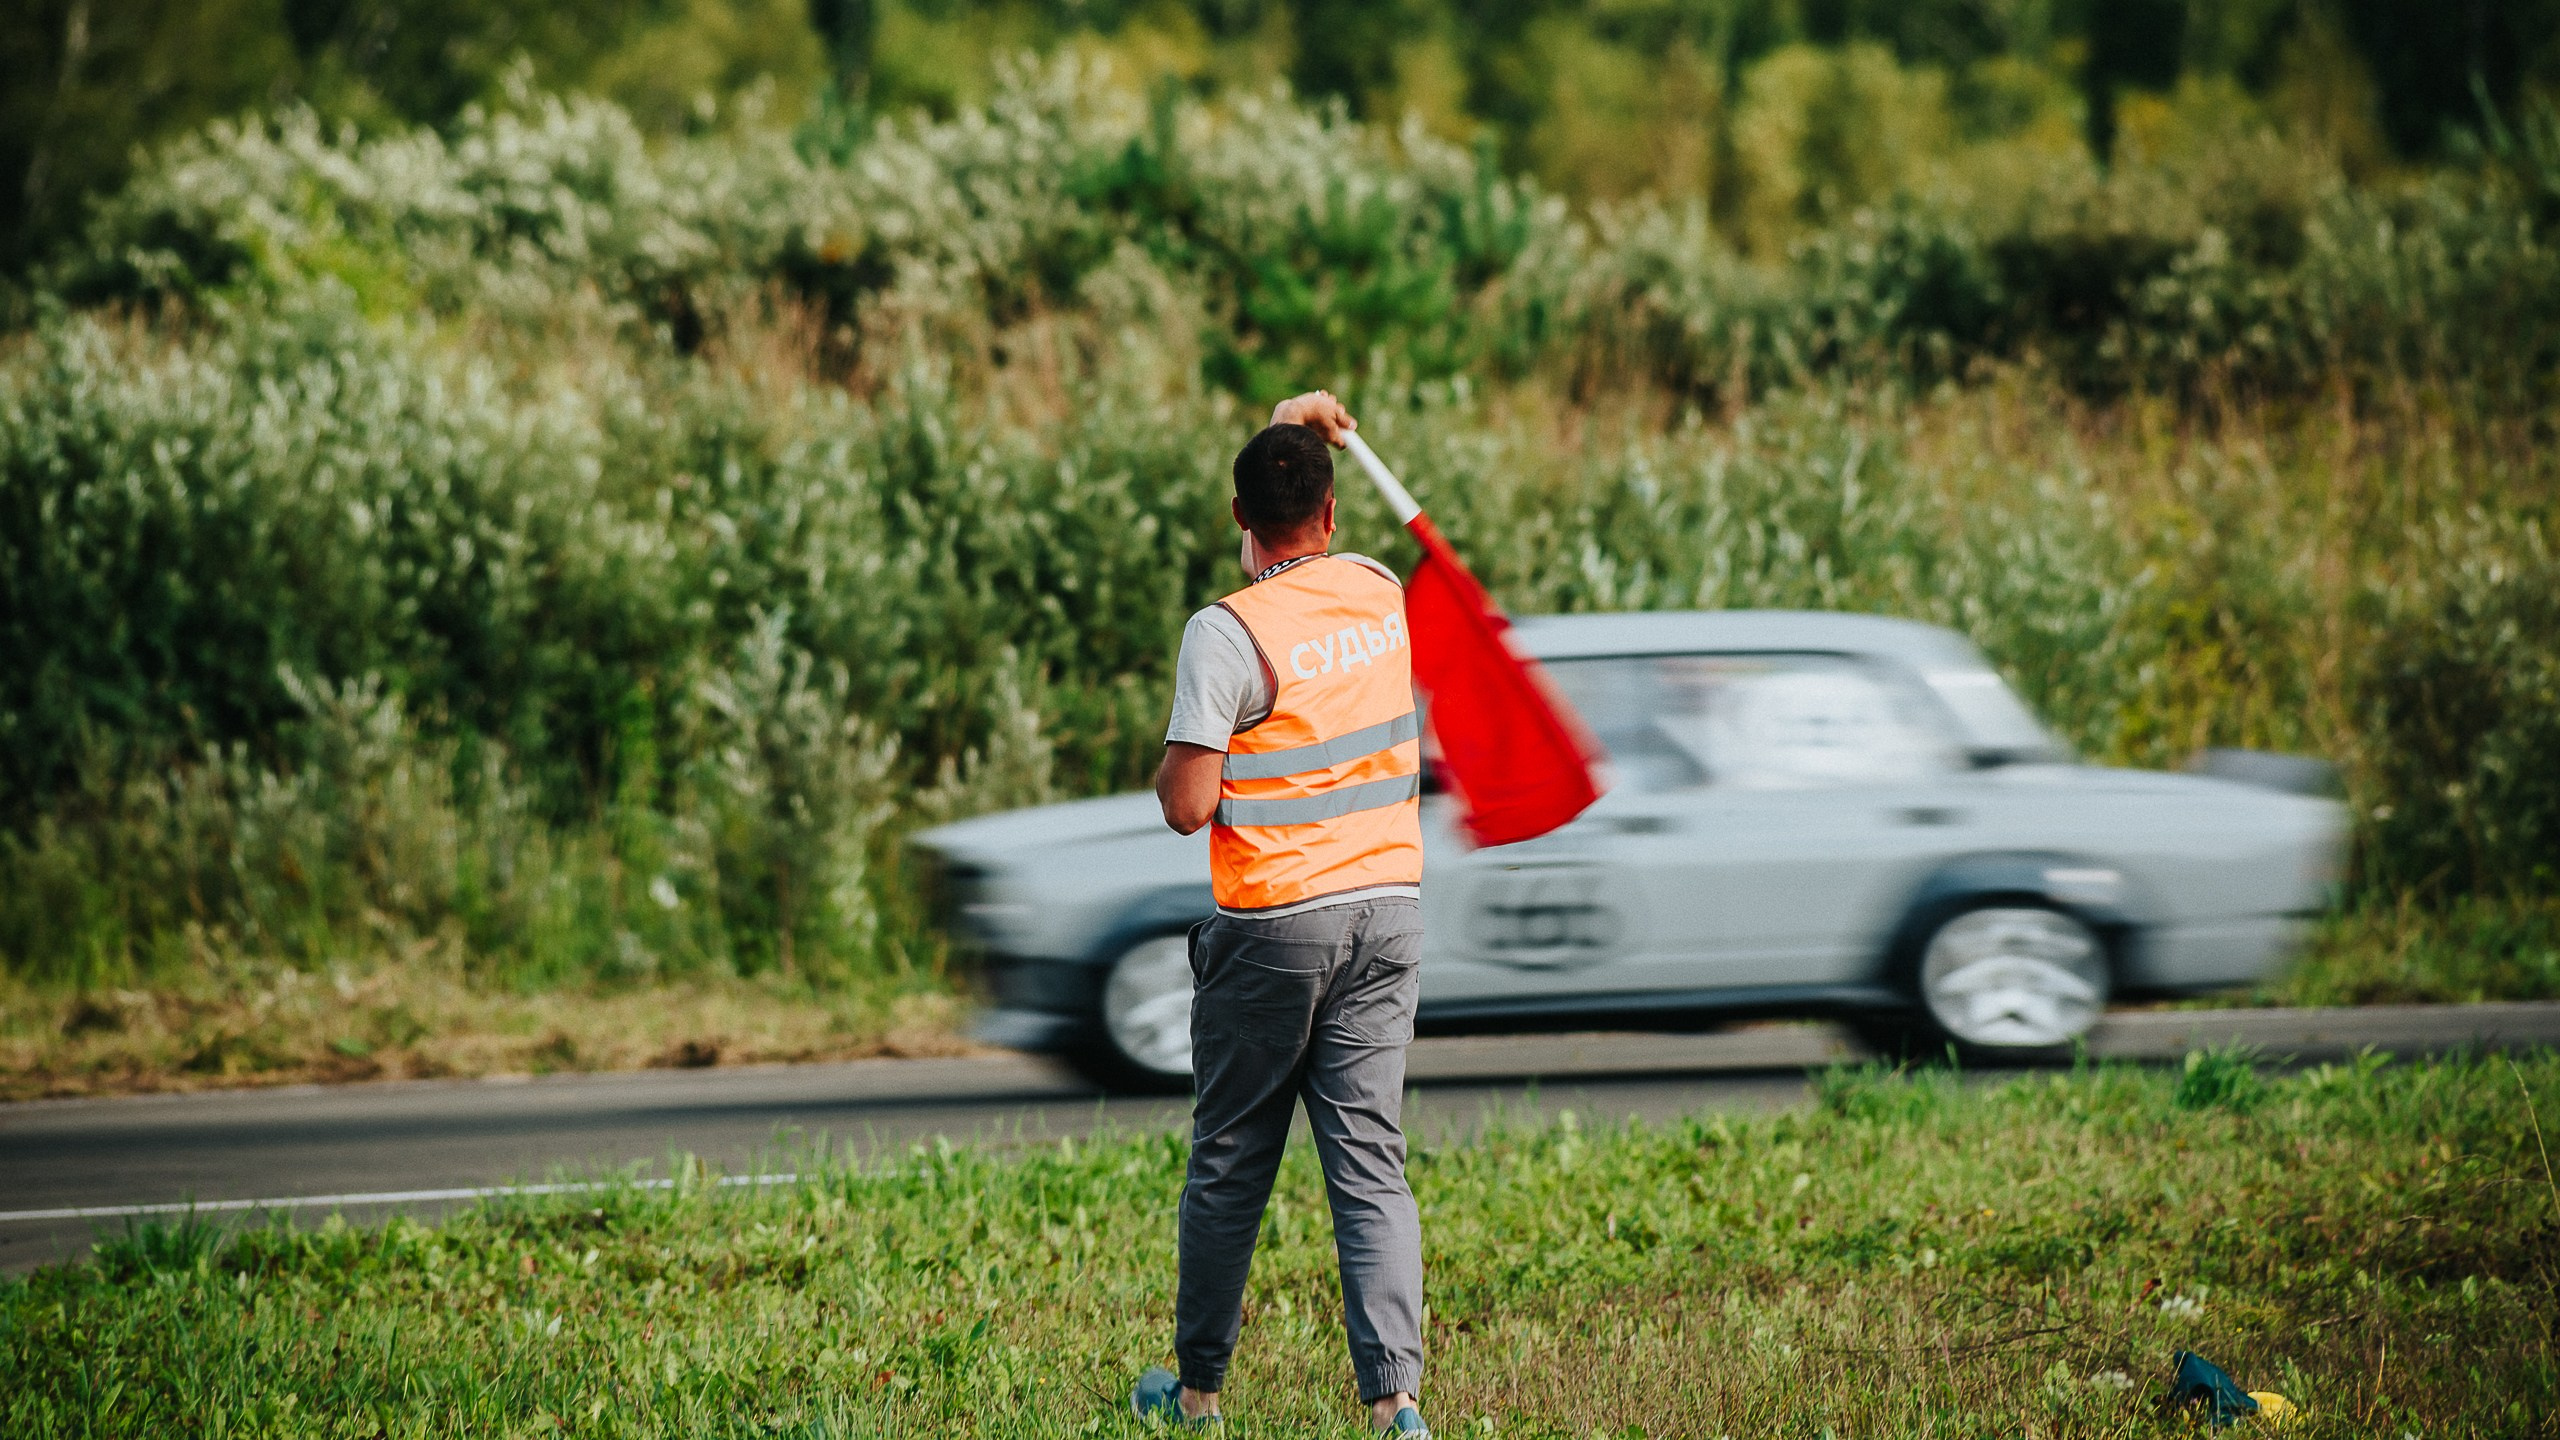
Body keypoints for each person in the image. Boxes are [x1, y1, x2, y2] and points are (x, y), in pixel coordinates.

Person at [1130, 391, 1431, 1437]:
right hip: (1388, 913)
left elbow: (1187, 807)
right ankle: (1395, 1405)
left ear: (1235, 516)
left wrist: (1176, 755)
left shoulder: (1225, 633)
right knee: (1370, 1168)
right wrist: (1293, 430)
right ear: (1332, 514)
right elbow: (1294, 528)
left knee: (1230, 1164)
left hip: (1275, 929)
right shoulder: (1380, 591)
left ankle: (1198, 1394)